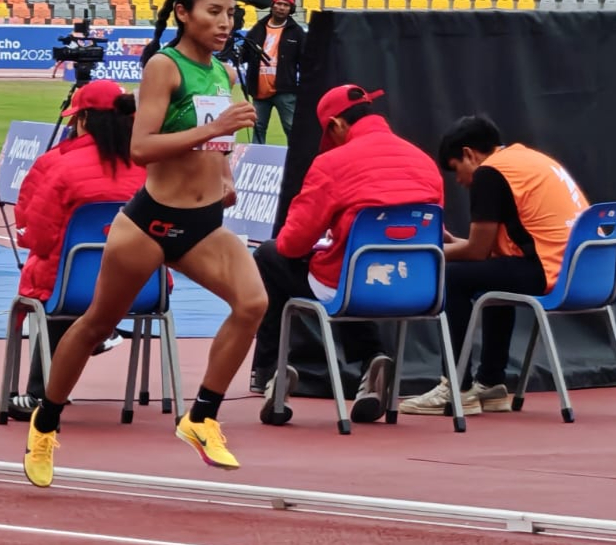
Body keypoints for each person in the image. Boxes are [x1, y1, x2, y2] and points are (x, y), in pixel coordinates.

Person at [22, 0, 268, 488]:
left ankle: (201, 417)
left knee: (252, 304)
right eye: (213, 12)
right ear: (183, 12)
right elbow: (141, 147)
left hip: (203, 224)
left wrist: (224, 175)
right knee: (94, 322)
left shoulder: (222, 72)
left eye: (230, 14)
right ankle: (45, 423)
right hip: (151, 222)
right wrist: (215, 130)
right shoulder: (164, 65)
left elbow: (213, 143)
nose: (225, 23)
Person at [250, 85, 444, 425]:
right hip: (420, 287)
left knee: (270, 256)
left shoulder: (332, 163)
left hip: (353, 284)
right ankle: (372, 358)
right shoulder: (423, 160)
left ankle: (272, 371)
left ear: (337, 125)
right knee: (354, 276)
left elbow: (291, 244)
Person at [400, 115, 589, 416]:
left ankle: (456, 386)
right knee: (495, 273)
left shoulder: (490, 172)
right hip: (582, 273)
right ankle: (491, 382)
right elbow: (486, 251)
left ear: (468, 154)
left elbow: (476, 252)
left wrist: (430, 251)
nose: (460, 181)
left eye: (456, 170)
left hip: (547, 270)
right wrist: (451, 243)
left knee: (451, 277)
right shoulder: (528, 160)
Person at [7, 79, 145, 419]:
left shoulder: (55, 165)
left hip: (69, 289)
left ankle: (40, 394)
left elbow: (34, 237)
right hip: (142, 289)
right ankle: (100, 331)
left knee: (51, 282)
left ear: (81, 120)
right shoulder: (150, 166)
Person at [240, 0, 304, 144]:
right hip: (259, 91)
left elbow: (306, 61)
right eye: (278, 4)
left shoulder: (297, 32)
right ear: (272, 5)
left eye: (286, 5)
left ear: (291, 9)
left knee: (292, 128)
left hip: (285, 91)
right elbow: (244, 55)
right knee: (258, 128)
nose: (281, 7)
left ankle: (297, 163)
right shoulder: (258, 28)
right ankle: (256, 161)